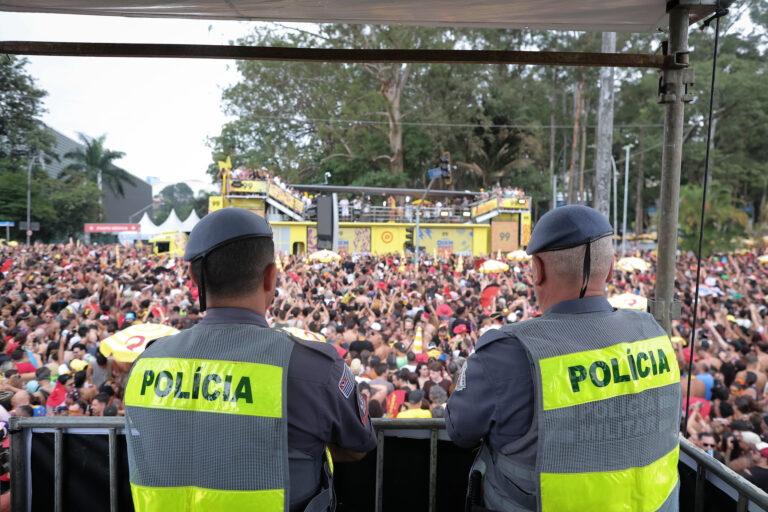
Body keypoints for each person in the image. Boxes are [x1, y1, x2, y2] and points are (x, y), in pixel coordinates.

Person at [124, 208, 376, 512]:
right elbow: (358, 446)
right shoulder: (315, 369)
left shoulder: (146, 363)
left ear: (193, 278)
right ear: (270, 277)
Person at [446, 205, 682, 512]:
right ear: (611, 269)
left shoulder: (507, 353)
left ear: (538, 270)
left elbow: (460, 431)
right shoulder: (653, 334)